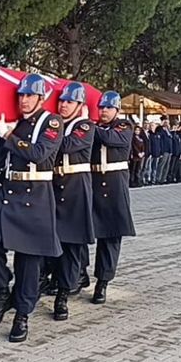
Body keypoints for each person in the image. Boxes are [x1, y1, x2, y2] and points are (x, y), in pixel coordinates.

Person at [0, 73, 63, 343]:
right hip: (7, 193)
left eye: (29, 95)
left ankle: (22, 315)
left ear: (41, 98)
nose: (24, 100)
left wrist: (8, 134)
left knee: (28, 260)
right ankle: (3, 291)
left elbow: (38, 153)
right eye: (21, 95)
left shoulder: (51, 121)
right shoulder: (15, 122)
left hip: (35, 194)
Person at [50, 82, 94, 320]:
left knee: (72, 245)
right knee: (54, 243)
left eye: (69, 102)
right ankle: (54, 282)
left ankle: (64, 294)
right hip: (55, 187)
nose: (64, 105)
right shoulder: (57, 125)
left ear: (80, 106)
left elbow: (66, 146)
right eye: (62, 101)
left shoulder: (85, 125)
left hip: (76, 188)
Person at [90, 91, 136, 304]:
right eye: (101, 108)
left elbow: (112, 139)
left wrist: (90, 126)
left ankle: (103, 282)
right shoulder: (92, 127)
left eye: (108, 108)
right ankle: (77, 275)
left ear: (117, 110)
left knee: (110, 238)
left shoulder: (124, 126)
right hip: (93, 183)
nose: (104, 111)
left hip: (114, 185)